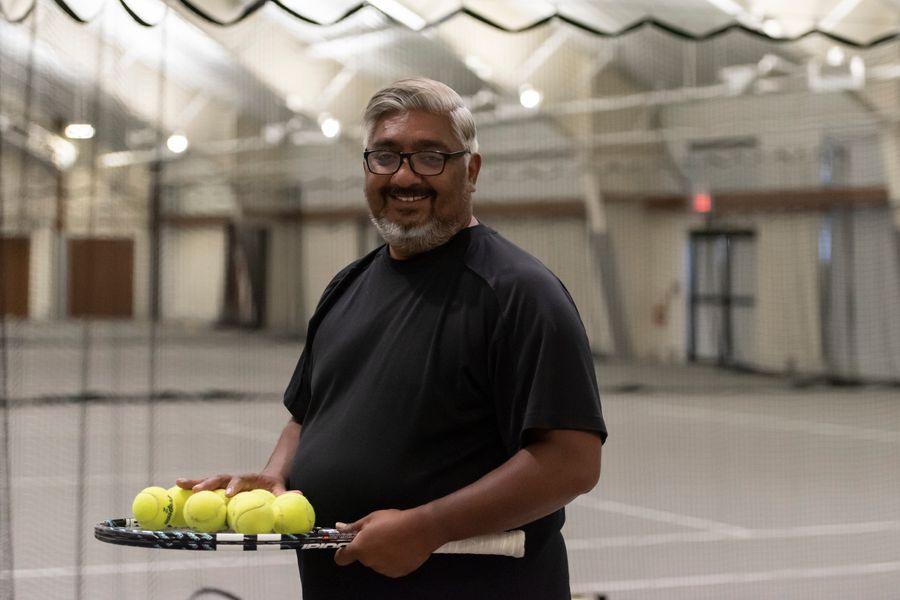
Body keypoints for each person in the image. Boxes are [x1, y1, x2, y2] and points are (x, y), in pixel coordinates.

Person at [178, 77, 607, 599]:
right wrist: (275, 475)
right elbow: (307, 414)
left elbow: (570, 462)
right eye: (385, 156)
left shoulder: (518, 293)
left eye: (430, 157)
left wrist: (429, 526)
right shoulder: (348, 286)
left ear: (470, 169)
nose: (404, 176)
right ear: (366, 169)